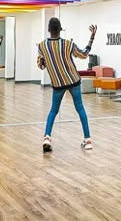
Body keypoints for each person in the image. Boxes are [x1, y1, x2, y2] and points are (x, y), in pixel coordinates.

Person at [37, 17, 96, 152]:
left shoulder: (42, 46)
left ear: (48, 30)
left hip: (58, 84)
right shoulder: (68, 44)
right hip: (73, 81)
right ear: (60, 29)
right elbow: (84, 55)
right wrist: (91, 39)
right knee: (80, 108)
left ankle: (47, 137)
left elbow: (40, 65)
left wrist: (48, 62)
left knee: (53, 111)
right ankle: (87, 140)